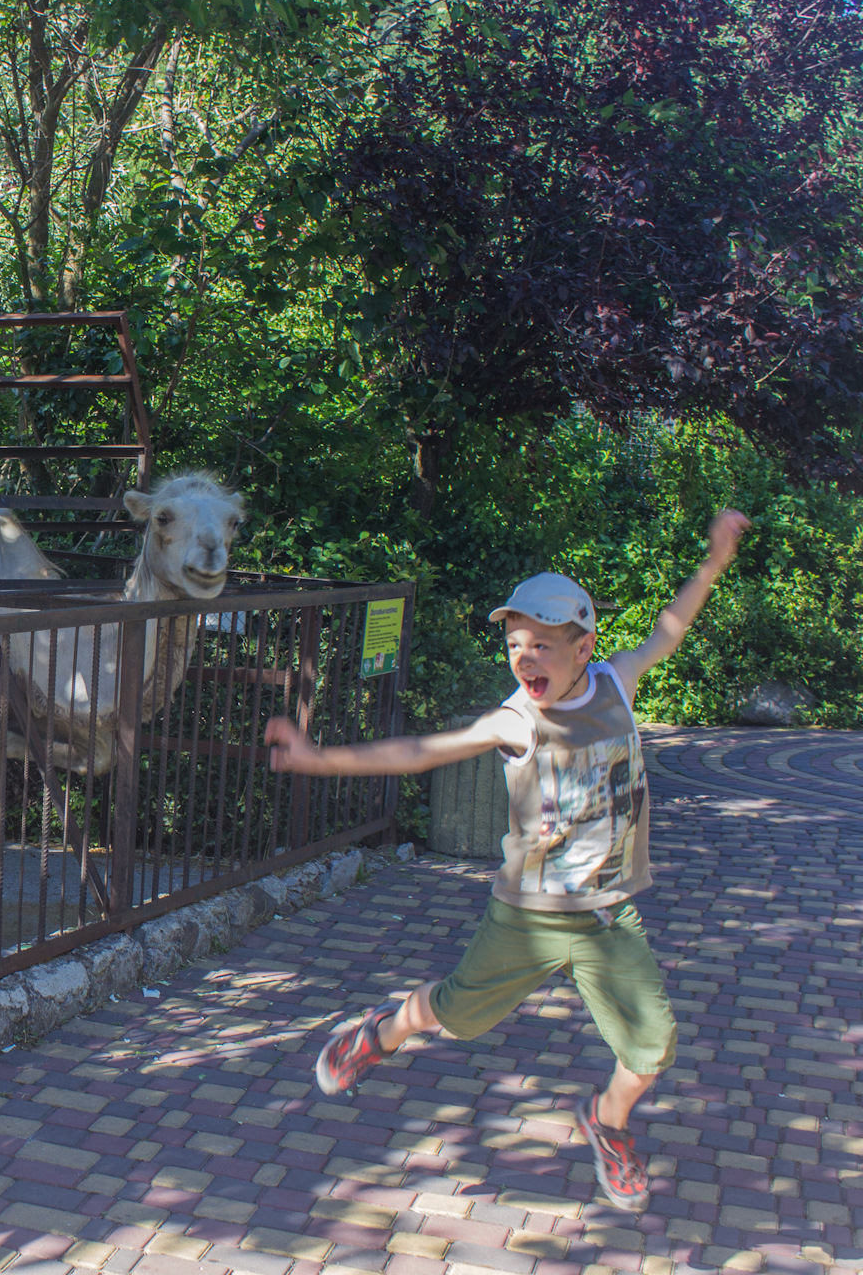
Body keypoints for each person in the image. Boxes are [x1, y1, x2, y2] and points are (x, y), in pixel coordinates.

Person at [262, 510, 751, 1212]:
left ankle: (607, 1125)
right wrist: (317, 758)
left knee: (651, 1051)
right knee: (458, 1015)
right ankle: (382, 1032)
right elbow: (419, 752)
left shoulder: (617, 685)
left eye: (543, 646)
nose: (525, 659)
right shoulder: (515, 719)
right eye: (516, 645)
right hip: (527, 916)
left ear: (583, 648)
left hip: (607, 917)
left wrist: (714, 562)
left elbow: (669, 627)